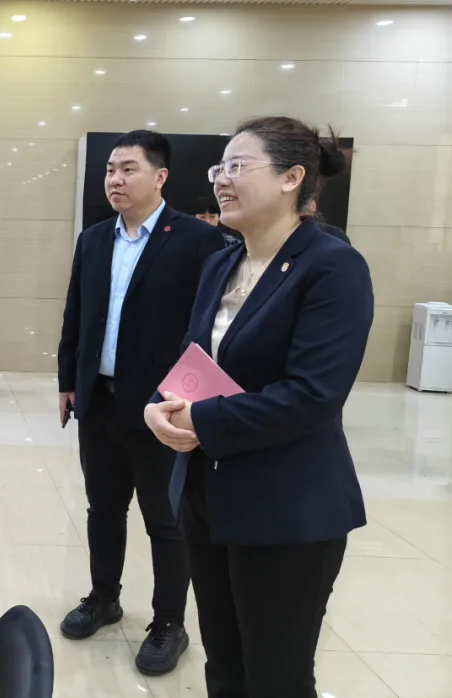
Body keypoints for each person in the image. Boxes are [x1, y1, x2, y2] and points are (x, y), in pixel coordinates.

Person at [144, 116, 372, 698]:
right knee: (224, 667)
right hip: (208, 497)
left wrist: (200, 422)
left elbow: (312, 396)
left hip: (285, 509)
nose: (220, 180)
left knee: (275, 678)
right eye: (219, 168)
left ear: (292, 177)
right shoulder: (221, 264)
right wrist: (158, 406)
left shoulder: (332, 266)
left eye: (237, 166)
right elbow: (192, 361)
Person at [58, 130, 224, 676]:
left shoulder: (198, 242)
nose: (115, 179)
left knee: (165, 520)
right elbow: (76, 315)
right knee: (103, 509)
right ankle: (103, 598)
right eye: (111, 169)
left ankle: (170, 622)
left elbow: (205, 332)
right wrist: (68, 382)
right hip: (99, 402)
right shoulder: (94, 239)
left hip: (161, 409)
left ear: (160, 177)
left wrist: (187, 401)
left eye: (128, 169)